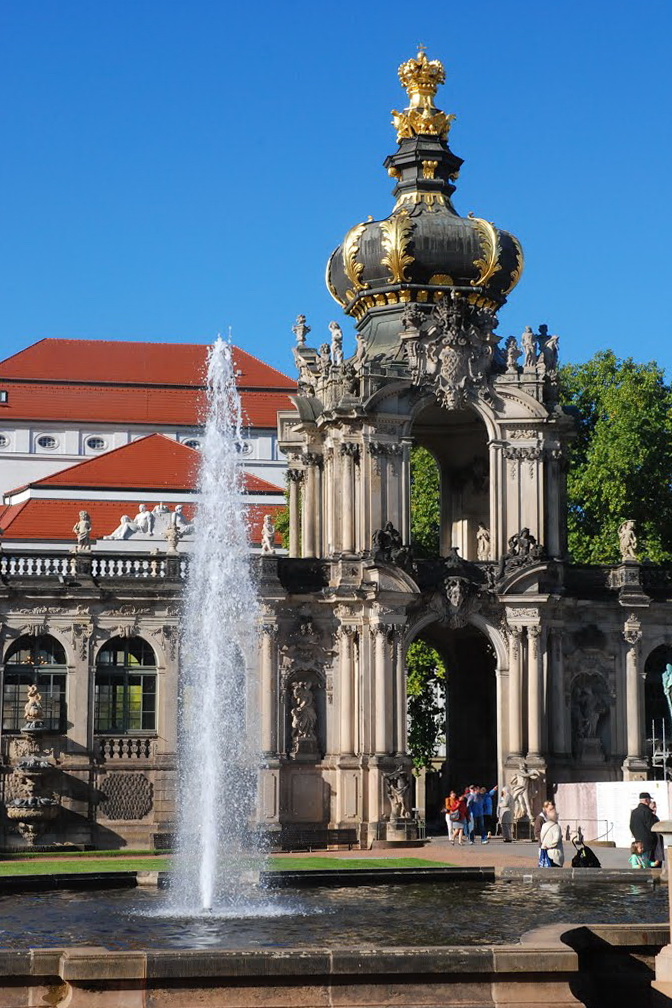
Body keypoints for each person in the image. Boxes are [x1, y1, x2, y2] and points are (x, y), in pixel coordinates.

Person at [629, 792, 659, 866]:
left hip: (638, 843)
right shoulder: (647, 812)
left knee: (640, 863)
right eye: (649, 800)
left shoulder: (634, 812)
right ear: (646, 800)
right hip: (649, 844)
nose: (650, 802)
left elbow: (631, 826)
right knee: (648, 864)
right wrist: (654, 814)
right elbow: (653, 827)